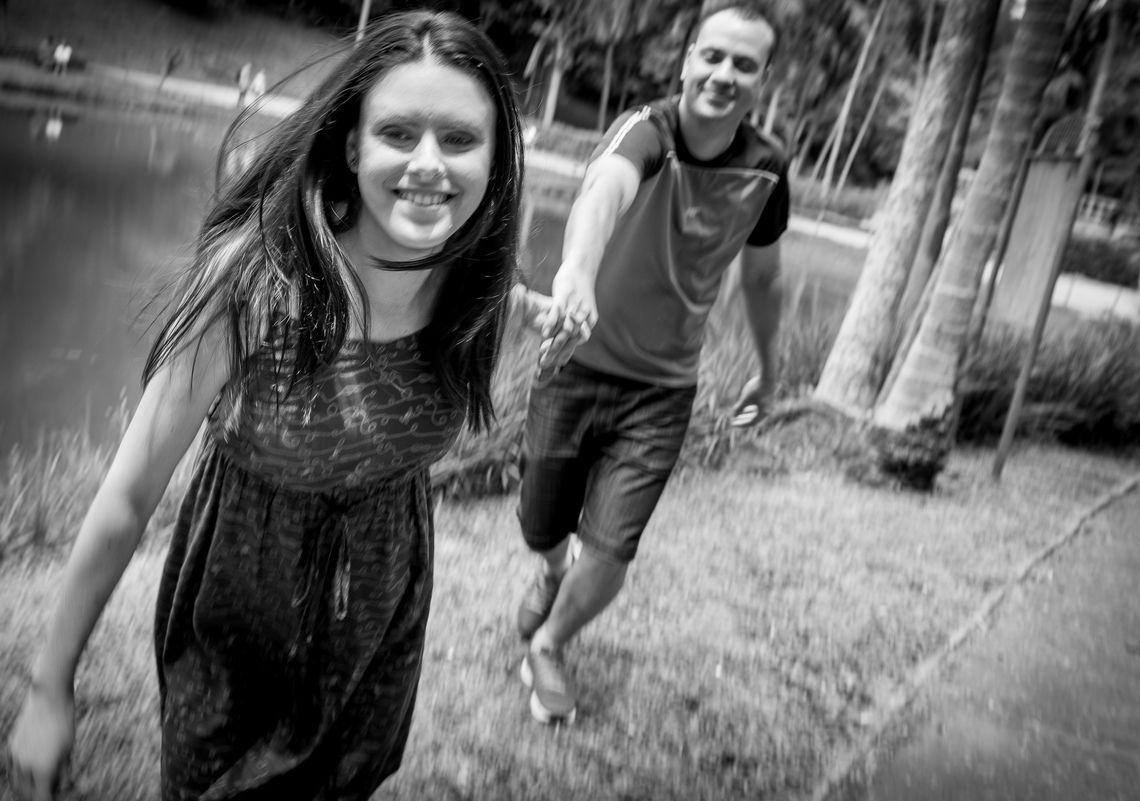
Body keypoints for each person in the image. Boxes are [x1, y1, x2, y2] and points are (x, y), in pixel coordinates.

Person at [4, 11, 575, 800]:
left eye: (460, 139)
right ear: (353, 144)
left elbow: (504, 303)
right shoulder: (252, 285)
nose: (429, 164)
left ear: (497, 158)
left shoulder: (473, 291)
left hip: (382, 609)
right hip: (242, 607)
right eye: (400, 133)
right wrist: (48, 687)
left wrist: (548, 312)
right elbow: (130, 493)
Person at [514, 1, 789, 725]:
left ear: (763, 79)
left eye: (744, 64)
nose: (724, 75)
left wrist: (768, 367)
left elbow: (763, 279)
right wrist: (576, 268)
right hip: (575, 360)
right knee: (541, 522)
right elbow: (604, 188)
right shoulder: (647, 130)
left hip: (663, 389)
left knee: (612, 545)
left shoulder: (767, 168)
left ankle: (549, 643)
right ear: (689, 57)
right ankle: (548, 570)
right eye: (714, 56)